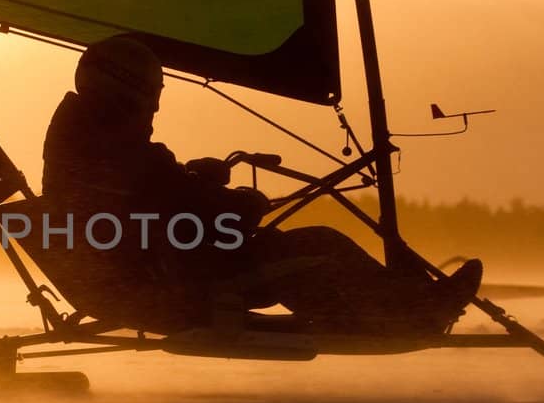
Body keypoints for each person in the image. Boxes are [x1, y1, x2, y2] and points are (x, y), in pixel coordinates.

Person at [41, 35, 481, 335]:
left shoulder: (83, 143)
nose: (154, 111)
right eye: (152, 98)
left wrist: (200, 181)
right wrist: (245, 203)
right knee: (317, 247)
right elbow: (196, 207)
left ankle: (406, 300)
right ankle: (415, 313)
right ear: (129, 93)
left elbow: (158, 195)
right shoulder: (124, 152)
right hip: (177, 286)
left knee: (301, 251)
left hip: (151, 272)